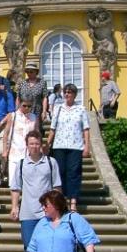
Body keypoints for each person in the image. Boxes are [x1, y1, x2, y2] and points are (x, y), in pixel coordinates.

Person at [10, 130, 62, 252]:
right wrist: (14, 206)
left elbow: (57, 187)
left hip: (48, 213)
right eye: (31, 144)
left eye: (37, 144)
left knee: (50, 244)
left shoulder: (51, 163)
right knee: (28, 245)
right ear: (27, 145)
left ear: (41, 145)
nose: (34, 146)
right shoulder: (21, 165)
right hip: (27, 212)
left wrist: (58, 209)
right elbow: (16, 188)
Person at [47, 83, 90, 213]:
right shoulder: (58, 109)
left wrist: (87, 145)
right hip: (59, 145)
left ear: (74, 94)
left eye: (70, 92)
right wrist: (48, 143)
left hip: (75, 145)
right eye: (65, 92)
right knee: (60, 172)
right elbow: (52, 128)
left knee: (74, 173)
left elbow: (86, 129)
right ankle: (63, 199)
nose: (67, 94)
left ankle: (73, 200)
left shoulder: (81, 109)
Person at [1, 99, 38, 185]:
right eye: (24, 105)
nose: (27, 108)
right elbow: (5, 134)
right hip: (15, 152)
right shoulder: (13, 116)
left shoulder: (34, 117)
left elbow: (37, 134)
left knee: (28, 182)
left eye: (29, 106)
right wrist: (5, 150)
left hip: (30, 154)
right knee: (14, 183)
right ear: (20, 104)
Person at [16, 62, 48, 131]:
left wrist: (44, 111)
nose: (29, 73)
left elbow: (44, 97)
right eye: (27, 71)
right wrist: (17, 111)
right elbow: (18, 97)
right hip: (23, 112)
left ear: (36, 72)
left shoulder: (42, 83)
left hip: (37, 112)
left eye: (31, 71)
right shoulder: (22, 83)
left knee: (36, 131)